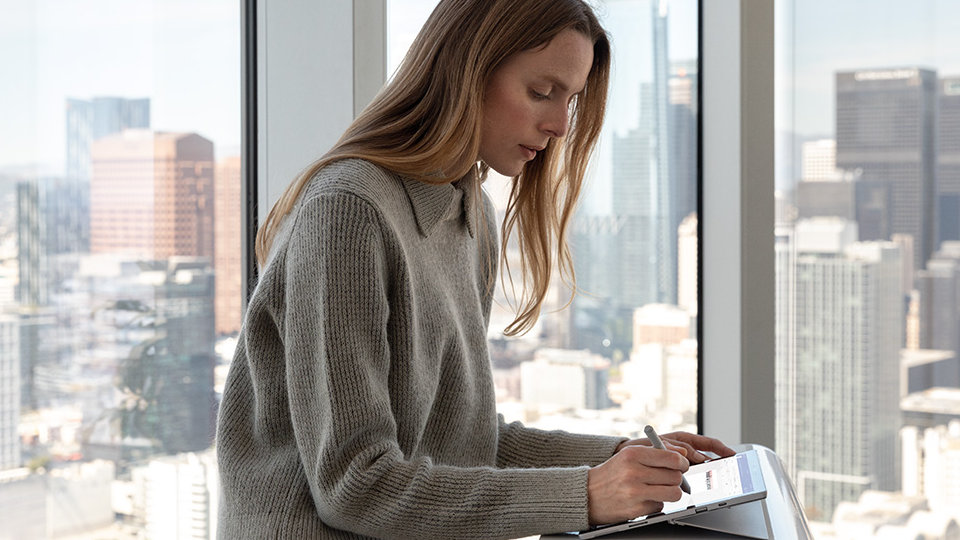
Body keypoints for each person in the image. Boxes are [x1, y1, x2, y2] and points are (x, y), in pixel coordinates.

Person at [216, 0, 734, 538]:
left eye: (570, 100)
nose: (559, 125)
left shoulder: (469, 211)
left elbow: (469, 440)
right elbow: (356, 486)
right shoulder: (348, 210)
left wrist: (624, 458)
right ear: (468, 70)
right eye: (541, 92)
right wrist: (586, 493)